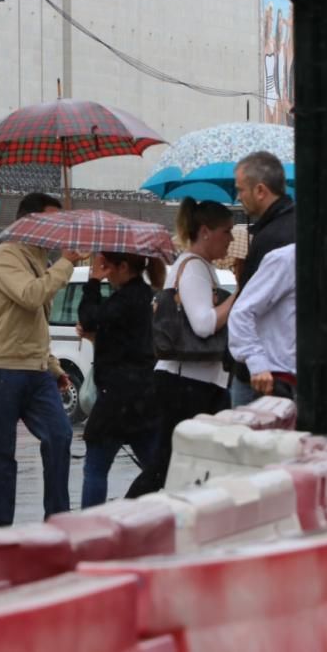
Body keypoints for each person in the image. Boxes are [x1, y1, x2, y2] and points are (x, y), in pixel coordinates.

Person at [0, 192, 85, 527]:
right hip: (1, 366)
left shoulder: (42, 261)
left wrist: (53, 367)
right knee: (0, 451)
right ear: (28, 222)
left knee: (60, 434)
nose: (58, 231)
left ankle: (57, 517)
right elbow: (30, 296)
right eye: (52, 222)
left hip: (35, 369)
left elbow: (35, 322)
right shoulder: (4, 255)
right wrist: (68, 263)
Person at [126, 199, 236, 498]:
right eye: (227, 231)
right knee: (167, 465)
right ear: (205, 232)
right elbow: (203, 324)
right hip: (185, 384)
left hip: (196, 382)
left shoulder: (199, 267)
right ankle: (127, 518)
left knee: (181, 464)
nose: (232, 239)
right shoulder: (194, 268)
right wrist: (238, 296)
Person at [229, 186, 327, 401]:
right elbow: (242, 312)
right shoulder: (285, 260)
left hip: (301, 386)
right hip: (266, 384)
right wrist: (257, 363)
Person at [77, 251, 166, 508]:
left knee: (95, 467)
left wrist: (93, 282)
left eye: (107, 267)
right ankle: (159, 515)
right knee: (156, 466)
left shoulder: (128, 298)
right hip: (143, 397)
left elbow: (89, 317)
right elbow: (120, 338)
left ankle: (91, 527)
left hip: (117, 399)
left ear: (123, 266)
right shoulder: (141, 296)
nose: (104, 273)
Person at [230, 150, 296, 406]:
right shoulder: (285, 228)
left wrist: (255, 362)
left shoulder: (274, 238)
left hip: (265, 373)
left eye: (241, 190)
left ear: (260, 190)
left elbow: (246, 308)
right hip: (279, 369)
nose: (239, 197)